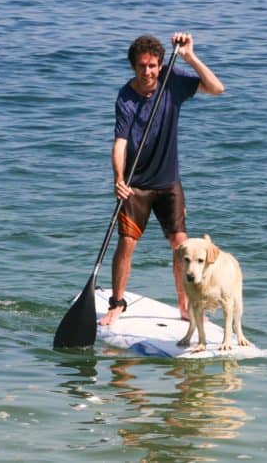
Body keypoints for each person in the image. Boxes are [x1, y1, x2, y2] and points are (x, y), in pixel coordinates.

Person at [98, 32, 224, 326]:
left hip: (169, 183)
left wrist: (189, 56)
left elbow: (217, 89)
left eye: (153, 65)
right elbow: (120, 143)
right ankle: (117, 304)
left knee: (182, 246)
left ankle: (185, 306)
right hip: (136, 185)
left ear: (160, 64)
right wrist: (118, 178)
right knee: (126, 243)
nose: (148, 72)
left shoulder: (173, 81)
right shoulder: (126, 96)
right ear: (134, 67)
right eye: (142, 66)